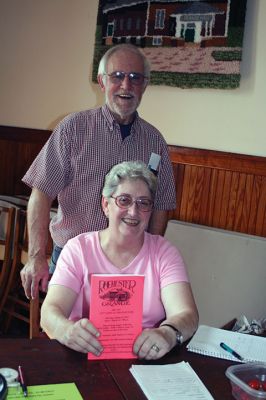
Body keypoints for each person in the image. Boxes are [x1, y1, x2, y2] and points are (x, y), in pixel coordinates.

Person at [21, 43, 176, 300]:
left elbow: (161, 205)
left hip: (129, 266)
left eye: (135, 78)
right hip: (72, 260)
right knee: (64, 334)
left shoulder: (155, 141)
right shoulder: (73, 129)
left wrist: (149, 257)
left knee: (120, 337)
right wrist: (36, 256)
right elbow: (41, 192)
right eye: (117, 76)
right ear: (102, 82)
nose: (126, 85)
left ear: (145, 85)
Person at [40, 161, 198, 360]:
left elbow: (188, 315)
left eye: (143, 203)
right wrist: (65, 330)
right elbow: (49, 313)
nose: (133, 212)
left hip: (147, 361)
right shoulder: (78, 249)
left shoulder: (164, 252)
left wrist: (167, 333)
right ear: (106, 205)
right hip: (81, 358)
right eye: (124, 200)